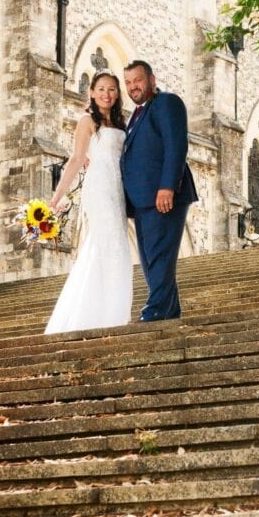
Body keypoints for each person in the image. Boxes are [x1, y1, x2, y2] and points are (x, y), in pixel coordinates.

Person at [43, 71, 133, 334]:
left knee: (113, 249)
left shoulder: (121, 122)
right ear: (92, 92)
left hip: (119, 190)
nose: (107, 94)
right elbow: (76, 159)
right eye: (102, 89)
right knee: (113, 246)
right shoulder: (86, 121)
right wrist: (56, 197)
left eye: (113, 89)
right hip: (100, 189)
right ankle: (108, 317)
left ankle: (109, 312)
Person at [121, 60, 198, 323]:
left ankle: (153, 313)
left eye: (138, 80)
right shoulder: (136, 115)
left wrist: (167, 187)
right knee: (151, 261)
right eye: (128, 83)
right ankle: (170, 314)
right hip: (142, 202)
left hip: (164, 197)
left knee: (159, 258)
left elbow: (176, 145)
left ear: (152, 80)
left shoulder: (167, 103)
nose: (133, 87)